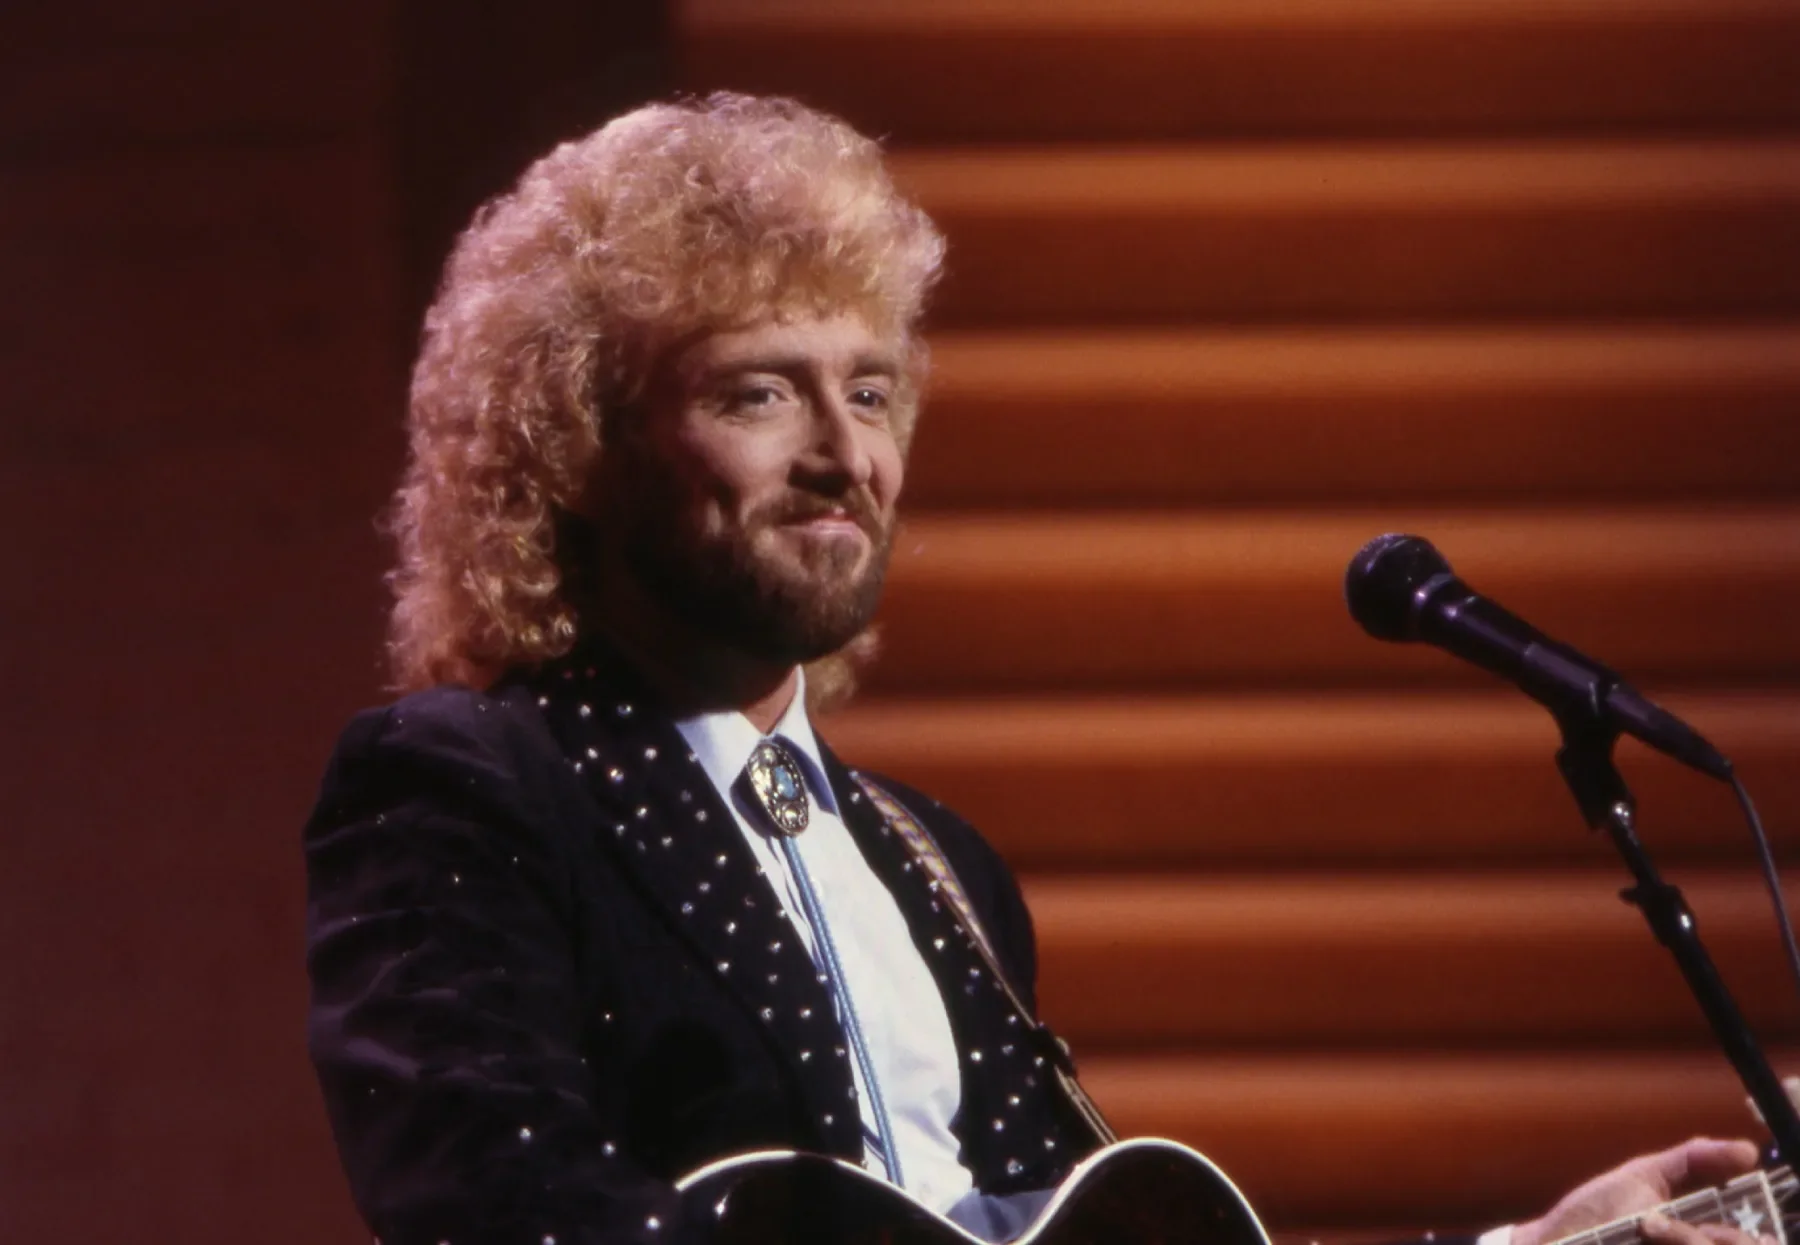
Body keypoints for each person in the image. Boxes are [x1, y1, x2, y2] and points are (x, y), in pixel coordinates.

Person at [303, 92, 1768, 1245]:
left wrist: (1535, 1241)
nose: (844, 457)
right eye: (760, 391)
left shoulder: (944, 870)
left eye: (871, 390)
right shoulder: (472, 787)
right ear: (580, 451)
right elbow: (497, 1215)